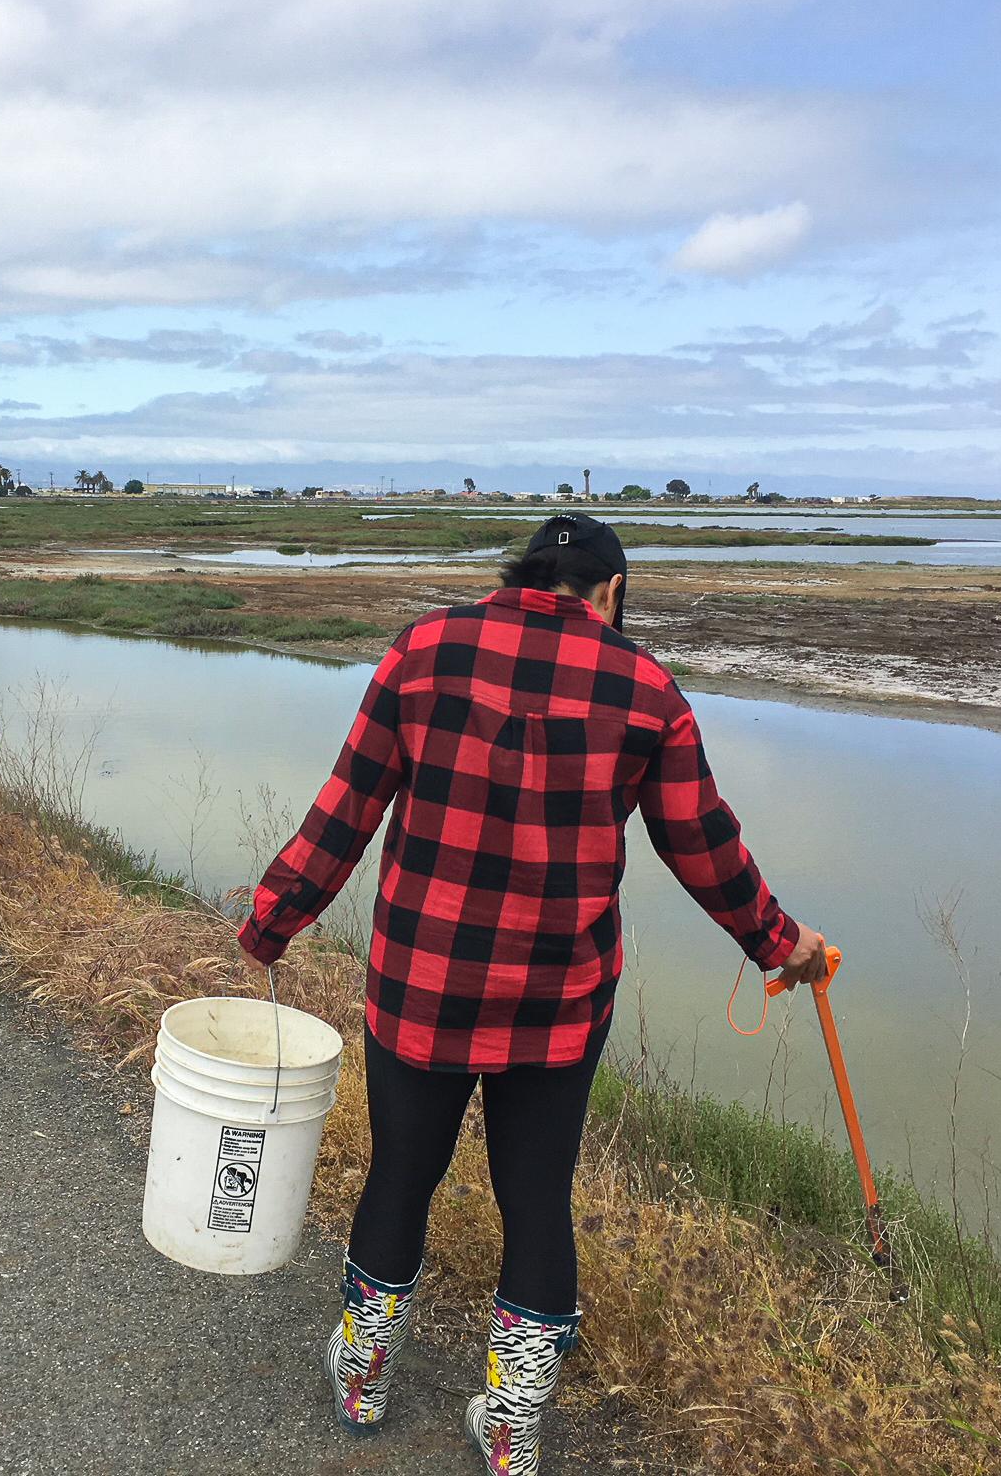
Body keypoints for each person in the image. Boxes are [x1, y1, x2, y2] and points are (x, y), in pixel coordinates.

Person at [236, 515, 829, 1473]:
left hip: (423, 980)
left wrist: (273, 919)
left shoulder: (424, 649)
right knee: (537, 1197)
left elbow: (348, 805)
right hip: (559, 999)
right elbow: (701, 841)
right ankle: (512, 1427)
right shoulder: (645, 688)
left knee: (401, 1175)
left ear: (524, 575)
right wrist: (779, 941)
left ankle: (363, 1379)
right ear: (610, 591)